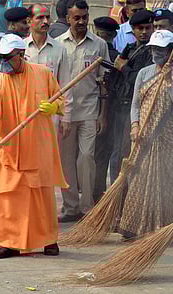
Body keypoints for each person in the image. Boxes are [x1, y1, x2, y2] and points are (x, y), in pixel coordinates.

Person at [0, 34, 68, 259]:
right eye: (1, 58)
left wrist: (53, 107)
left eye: (8, 58)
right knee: (8, 197)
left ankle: (49, 240)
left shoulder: (42, 73)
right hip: (10, 148)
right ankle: (8, 243)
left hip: (39, 146)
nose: (4, 62)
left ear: (21, 56)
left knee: (42, 197)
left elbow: (60, 99)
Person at [118, 30, 173, 239]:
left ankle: (158, 229)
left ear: (170, 51)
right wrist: (135, 126)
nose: (157, 53)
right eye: (154, 49)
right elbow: (136, 105)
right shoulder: (144, 73)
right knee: (138, 180)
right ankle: (132, 226)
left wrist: (169, 83)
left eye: (161, 49)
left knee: (165, 183)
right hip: (144, 135)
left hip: (171, 138)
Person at [56, 0, 111, 222]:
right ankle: (70, 208)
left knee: (86, 158)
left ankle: (87, 208)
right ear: (68, 18)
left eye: (84, 17)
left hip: (90, 110)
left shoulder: (99, 45)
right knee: (66, 161)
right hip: (64, 114)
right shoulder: (58, 44)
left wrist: (103, 114)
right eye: (76, 18)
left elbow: (105, 81)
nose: (81, 21)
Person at [109, 10, 154, 185]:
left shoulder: (152, 51)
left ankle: (124, 197)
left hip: (137, 108)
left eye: (147, 28)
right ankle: (115, 197)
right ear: (133, 30)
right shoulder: (130, 48)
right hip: (121, 106)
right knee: (118, 153)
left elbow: (143, 80)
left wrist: (124, 68)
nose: (144, 32)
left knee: (128, 154)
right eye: (139, 28)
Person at [24, 3, 70, 131]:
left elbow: (66, 85)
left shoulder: (59, 49)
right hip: (25, 114)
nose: (45, 21)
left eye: (47, 17)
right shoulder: (21, 49)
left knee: (49, 150)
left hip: (51, 114)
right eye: (40, 17)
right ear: (29, 21)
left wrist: (65, 117)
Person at [92, 16, 120, 203]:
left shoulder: (99, 57)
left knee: (98, 156)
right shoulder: (119, 56)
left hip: (100, 108)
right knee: (111, 155)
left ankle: (98, 196)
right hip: (116, 110)